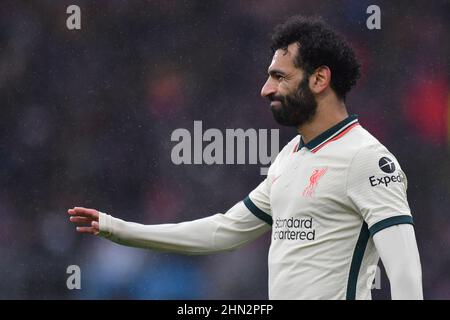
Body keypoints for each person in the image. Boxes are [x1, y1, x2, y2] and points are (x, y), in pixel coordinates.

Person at [68, 15, 423, 300]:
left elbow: (405, 273)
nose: (266, 89)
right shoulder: (289, 158)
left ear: (319, 79)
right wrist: (121, 229)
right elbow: (224, 230)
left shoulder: (368, 160)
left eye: (280, 77)